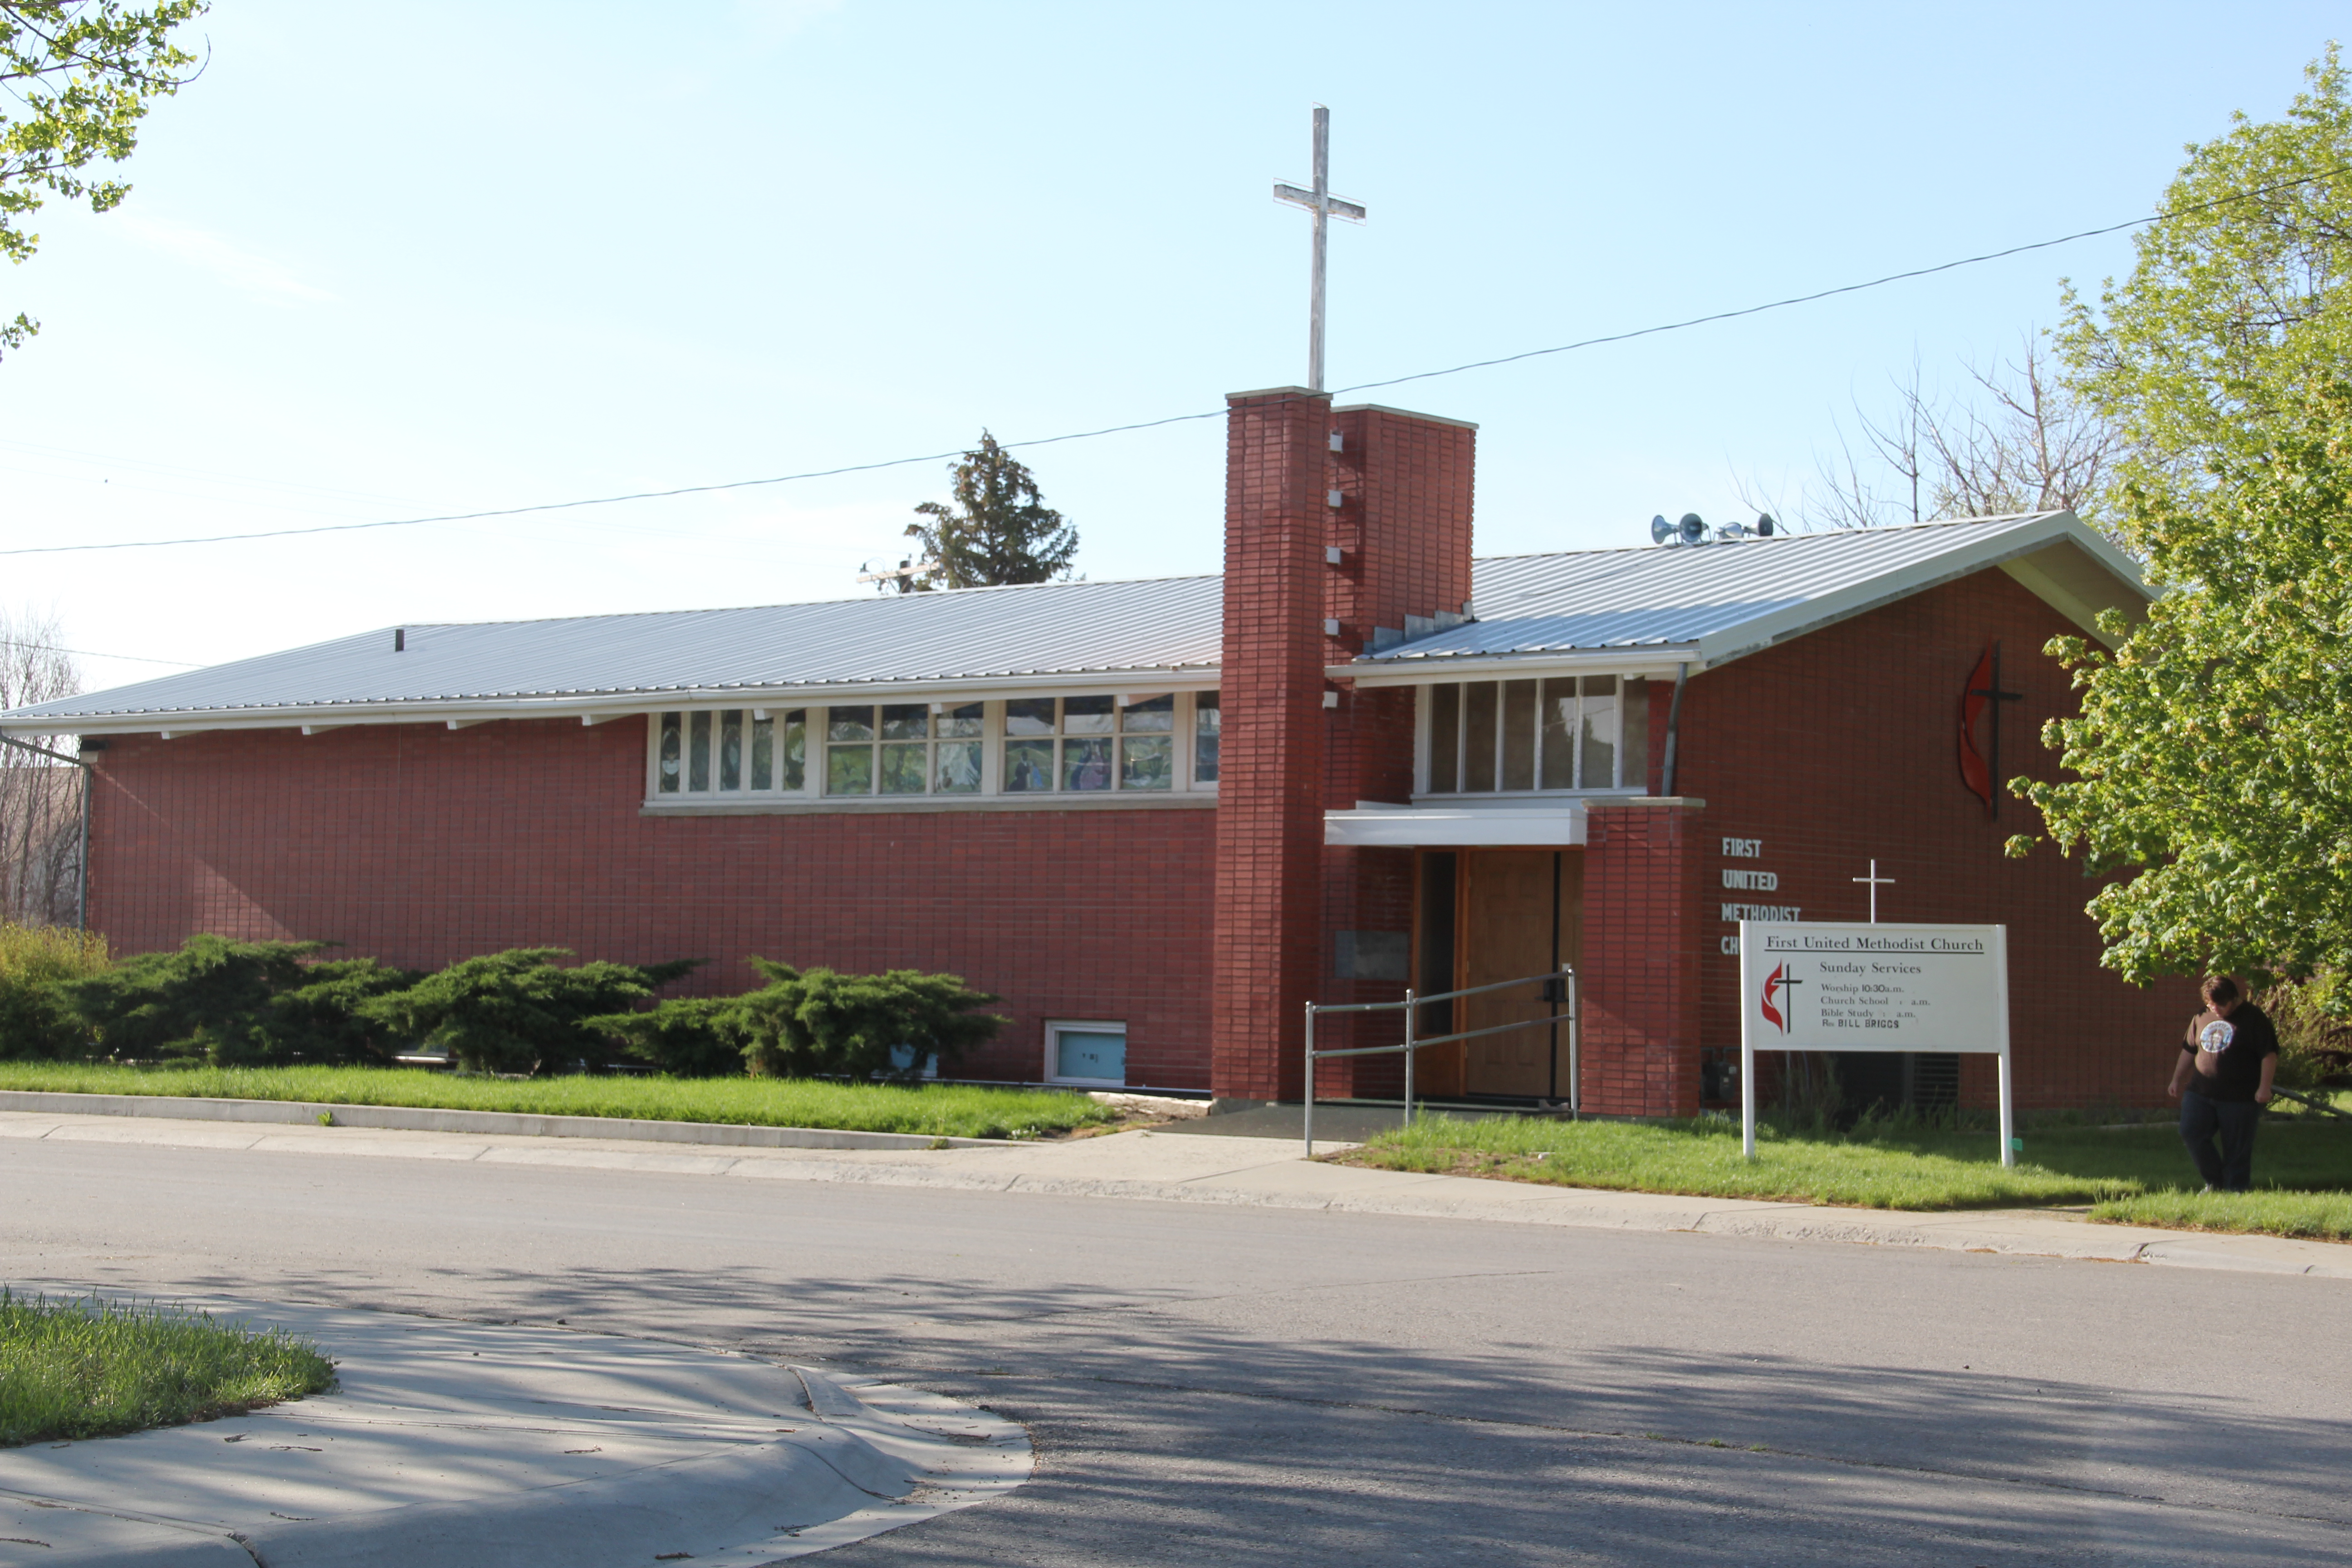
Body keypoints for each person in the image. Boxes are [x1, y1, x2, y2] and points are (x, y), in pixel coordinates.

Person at [2167, 975, 2279, 1192]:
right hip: (2200, 1093)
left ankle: (2236, 1189)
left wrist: (2265, 1087)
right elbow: (2190, 1049)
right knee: (2191, 1132)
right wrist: (2176, 1078)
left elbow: (2269, 1055)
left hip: (2240, 1097)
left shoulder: (2254, 1018)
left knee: (2237, 1148)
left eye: (2221, 1004)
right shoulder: (2201, 1016)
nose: (2215, 1008)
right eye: (2211, 1004)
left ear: (2234, 999)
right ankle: (2215, 1182)